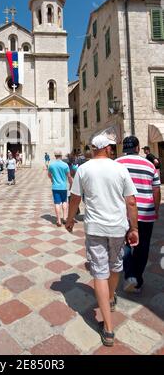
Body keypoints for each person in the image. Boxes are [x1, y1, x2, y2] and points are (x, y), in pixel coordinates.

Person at [66, 135, 139, 347]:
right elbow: (131, 201)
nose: (113, 150)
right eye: (112, 147)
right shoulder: (119, 168)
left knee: (99, 272)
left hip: (96, 228)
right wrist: (134, 228)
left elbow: (75, 198)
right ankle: (110, 297)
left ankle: (108, 329)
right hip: (117, 228)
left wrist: (70, 220)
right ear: (106, 148)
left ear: (93, 148)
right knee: (115, 266)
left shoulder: (84, 169)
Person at [116, 136, 161, 293]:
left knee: (125, 244)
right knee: (143, 247)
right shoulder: (149, 165)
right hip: (145, 213)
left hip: (124, 213)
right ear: (137, 147)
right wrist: (155, 209)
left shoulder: (117, 164)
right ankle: (137, 280)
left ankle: (129, 275)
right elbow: (156, 189)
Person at [48, 150, 73, 227]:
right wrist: (71, 184)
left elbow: (49, 175)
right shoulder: (65, 165)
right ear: (61, 155)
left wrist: (52, 179)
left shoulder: (51, 165)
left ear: (55, 156)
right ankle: (65, 218)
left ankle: (59, 220)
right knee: (65, 202)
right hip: (63, 187)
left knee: (57, 203)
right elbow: (69, 176)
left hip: (55, 187)